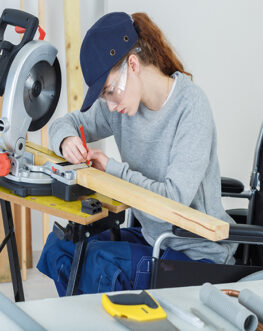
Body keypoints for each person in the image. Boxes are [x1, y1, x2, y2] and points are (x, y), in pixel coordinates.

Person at [37, 11, 237, 295]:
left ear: (133, 64)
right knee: (62, 246)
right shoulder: (123, 107)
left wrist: (114, 170)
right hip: (153, 237)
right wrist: (66, 140)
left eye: (108, 92)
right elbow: (65, 123)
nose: (109, 105)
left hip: (194, 250)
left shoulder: (191, 108)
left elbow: (173, 203)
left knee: (97, 263)